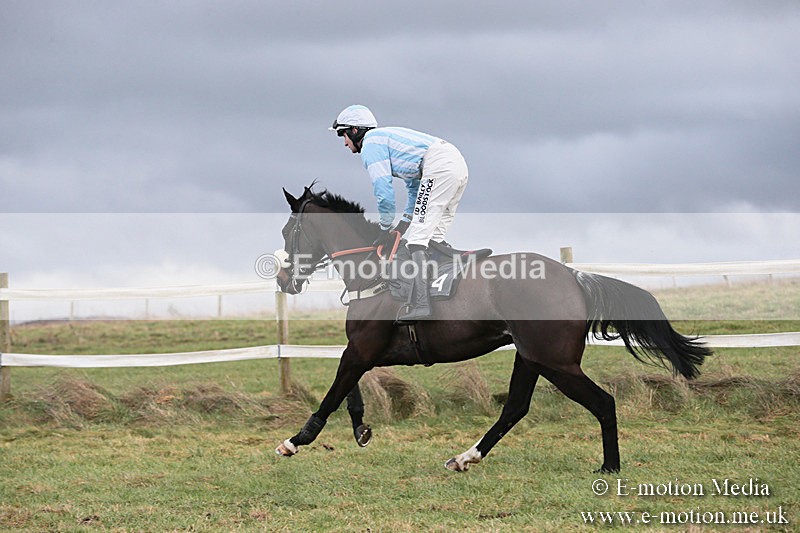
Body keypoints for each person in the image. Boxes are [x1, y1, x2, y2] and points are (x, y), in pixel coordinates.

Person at [330, 104, 469, 324]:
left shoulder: (370, 146)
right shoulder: (387, 141)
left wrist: (385, 229)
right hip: (455, 164)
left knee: (416, 241)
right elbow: (414, 190)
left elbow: (384, 193)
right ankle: (450, 278)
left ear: (355, 131)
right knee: (432, 239)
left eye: (343, 135)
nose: (344, 143)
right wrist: (402, 225)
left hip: (440, 167)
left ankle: (422, 305)